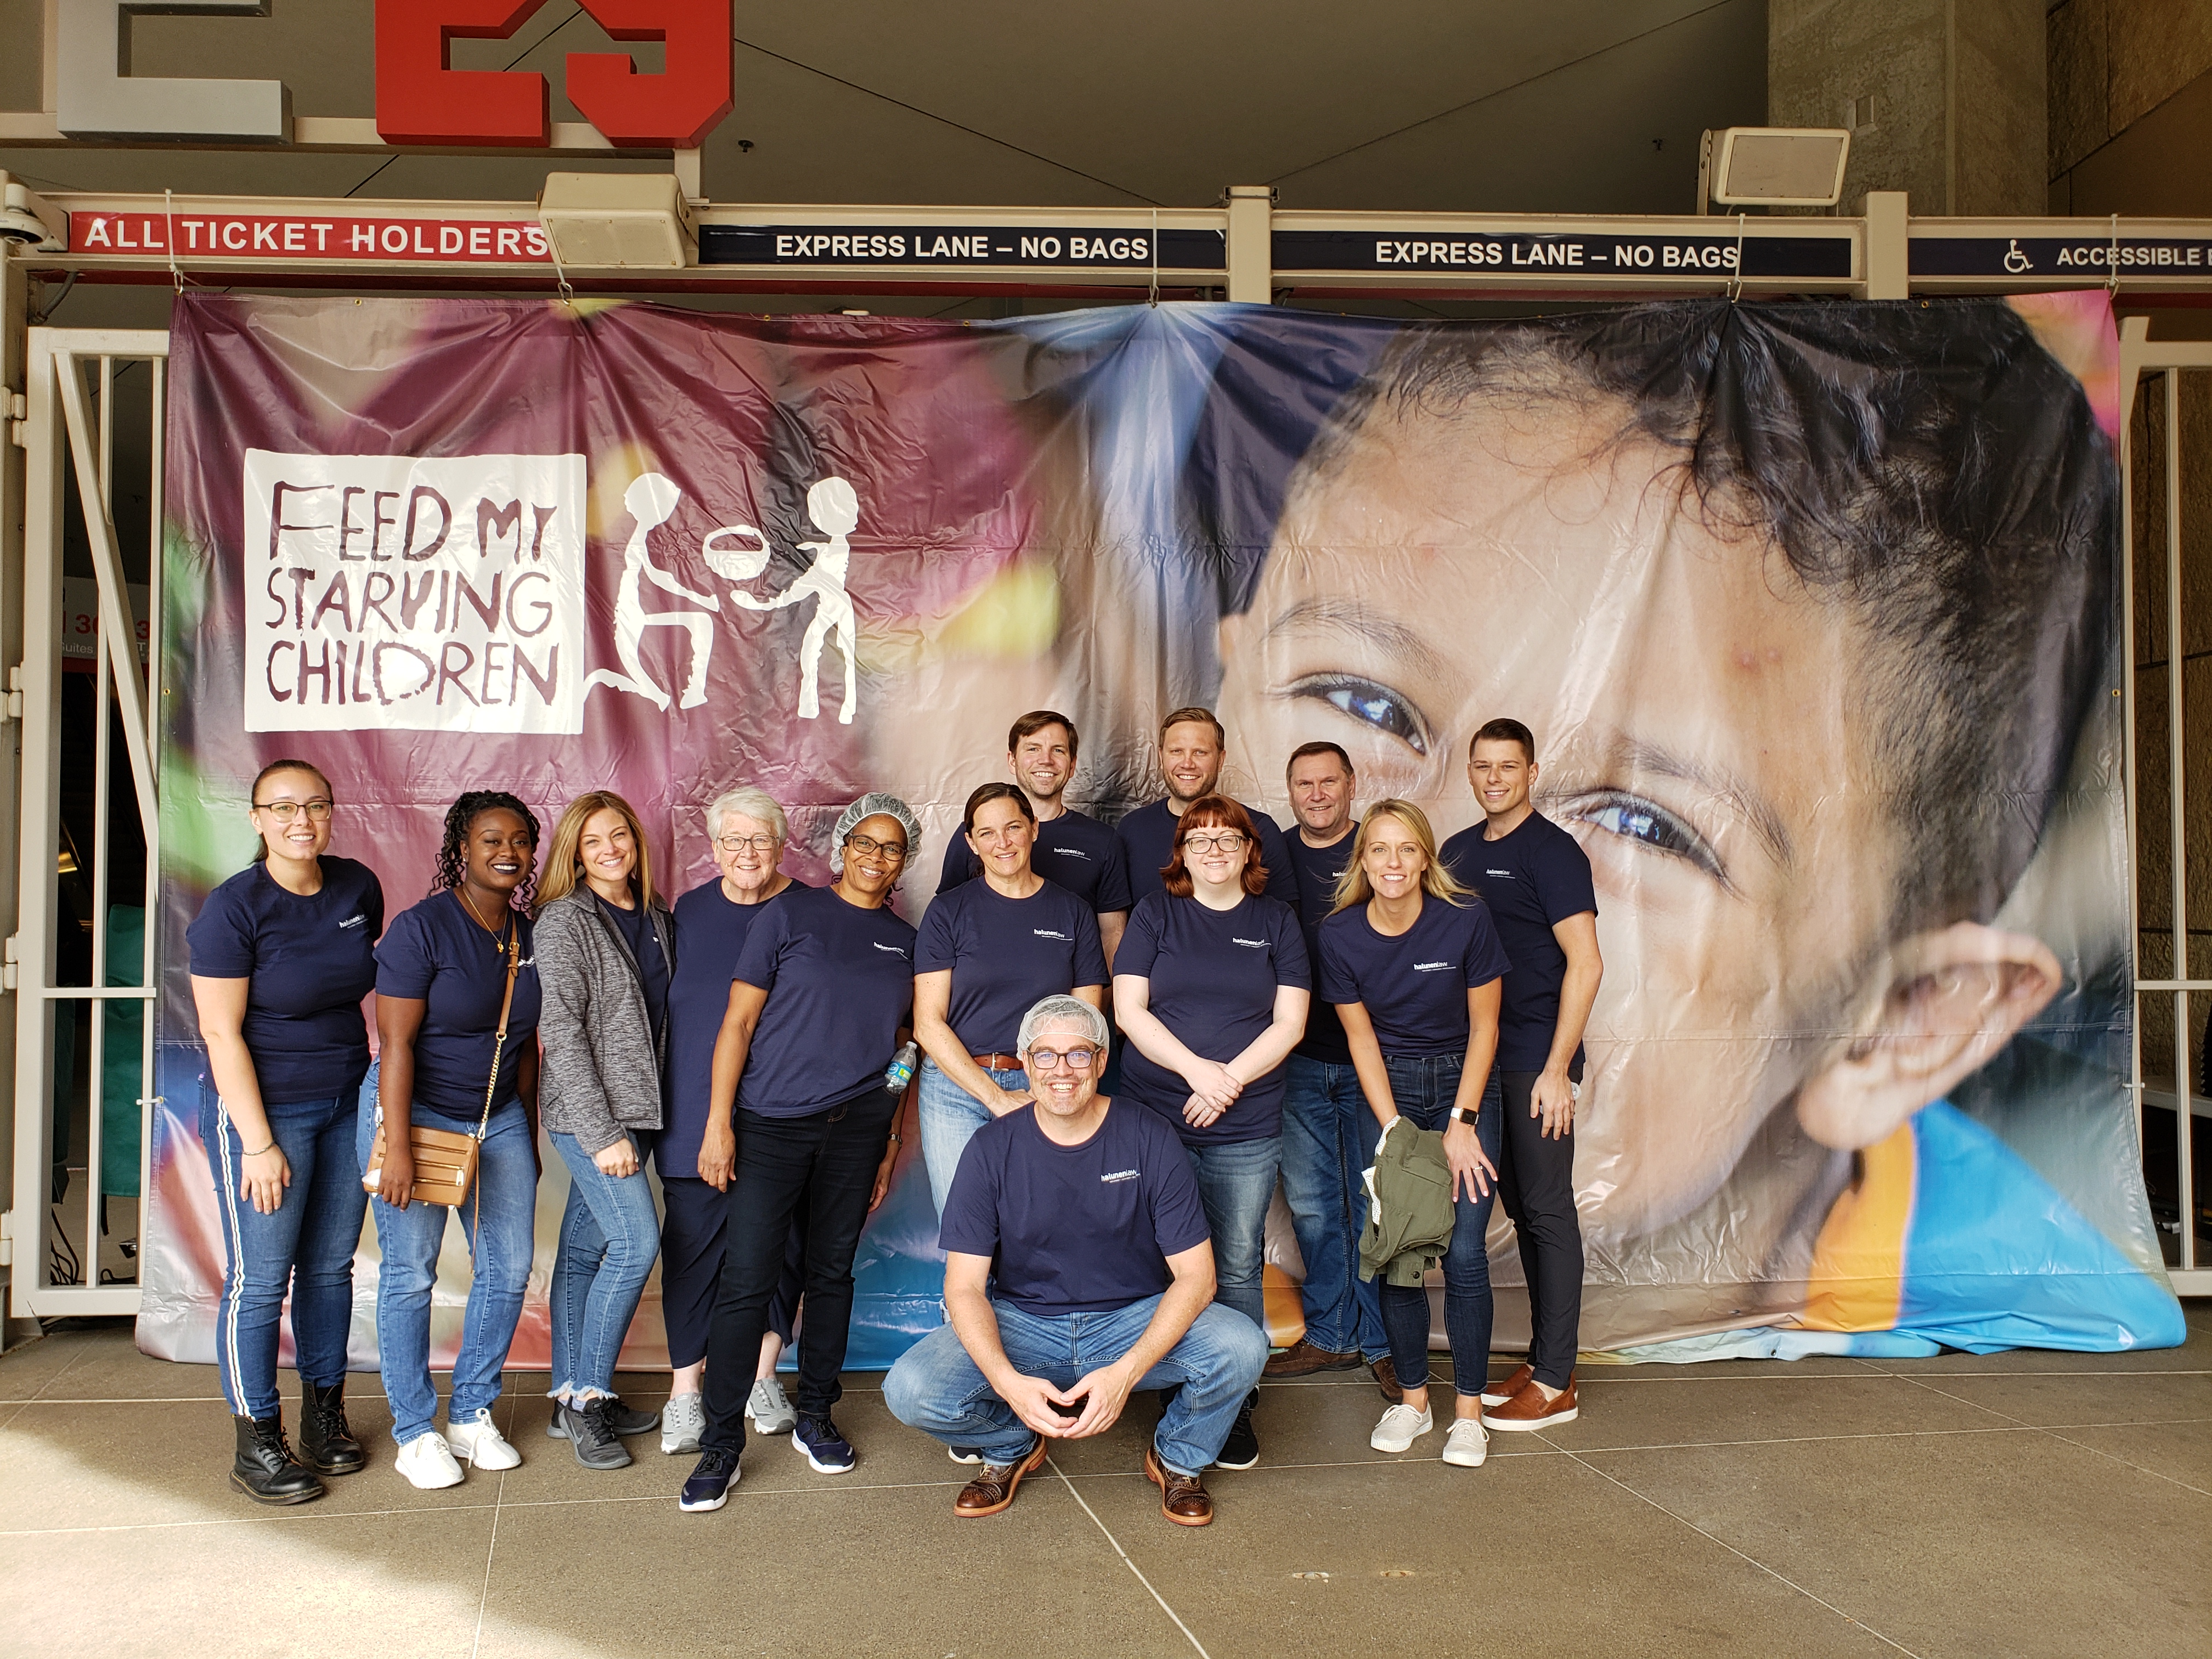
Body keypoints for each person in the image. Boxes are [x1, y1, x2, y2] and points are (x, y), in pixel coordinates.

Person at [1205, 300, 2183, 1358]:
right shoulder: (1146, 1184)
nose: (1415, 870)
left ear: (1908, 1020)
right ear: (1219, 681)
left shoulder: (2007, 1269)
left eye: (1643, 823)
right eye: (1365, 703)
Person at [885, 995, 1268, 1526]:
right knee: (910, 1390)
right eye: (1045, 1055)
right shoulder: (990, 1149)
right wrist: (1006, 1383)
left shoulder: (1148, 1135)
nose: (1061, 1070)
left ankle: (1179, 1457)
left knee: (1244, 1344)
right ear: (1024, 1063)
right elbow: (966, 1288)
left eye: (1078, 1055)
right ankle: (1013, 1444)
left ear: (1102, 1062)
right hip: (1026, 1325)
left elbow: (1197, 1278)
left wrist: (1126, 1373)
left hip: (1131, 1320)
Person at [680, 794, 922, 1511]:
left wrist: (887, 1132)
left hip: (856, 1132)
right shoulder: (788, 916)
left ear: (903, 862)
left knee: (831, 1274)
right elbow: (737, 1023)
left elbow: (907, 1050)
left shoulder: (905, 942)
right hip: (771, 1126)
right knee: (747, 1280)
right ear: (842, 848)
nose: (877, 858)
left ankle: (815, 1416)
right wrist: (719, 1124)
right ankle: (721, 1444)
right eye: (865, 844)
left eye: (892, 849)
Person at [186, 758, 381, 1504]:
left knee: (331, 1269)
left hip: (345, 1106)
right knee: (260, 1280)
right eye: (283, 807)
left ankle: (324, 1417)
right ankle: (256, 1440)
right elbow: (218, 1030)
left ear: (332, 814)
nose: (302, 821)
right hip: (263, 1115)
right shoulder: (233, 909)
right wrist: (259, 1143)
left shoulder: (357, 886)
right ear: (258, 818)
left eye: (316, 807)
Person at [1113, 794, 1309, 1471]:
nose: (1215, 850)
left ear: (1251, 851)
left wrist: (1226, 1085)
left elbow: (1289, 1024)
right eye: (1200, 840)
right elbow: (1128, 1008)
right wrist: (1198, 1071)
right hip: (1153, 1116)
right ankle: (1158, 1380)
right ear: (1182, 854)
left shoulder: (1276, 920)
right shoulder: (1155, 913)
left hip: (1244, 1124)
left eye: (1229, 839)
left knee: (1234, 1262)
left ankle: (1234, 1400)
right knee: (1148, 1255)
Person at [1316, 800, 1510, 1468]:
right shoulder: (1339, 935)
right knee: (1398, 1251)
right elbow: (1362, 1039)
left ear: (1425, 857)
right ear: (1362, 860)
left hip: (1464, 1083)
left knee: (1460, 1254)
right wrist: (1394, 1127)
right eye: (1379, 851)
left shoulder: (1466, 920)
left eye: (1406, 850)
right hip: (1389, 1089)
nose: (1392, 863)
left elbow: (1486, 1028)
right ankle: (1414, 1402)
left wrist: (1462, 1123)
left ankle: (1469, 1414)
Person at [360, 791, 543, 1491]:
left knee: (507, 1267)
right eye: (491, 838)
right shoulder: (421, 929)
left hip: (495, 1121)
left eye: (521, 840)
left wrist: (521, 1129)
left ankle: (470, 1412)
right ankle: (413, 1430)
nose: (508, 851)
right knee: (411, 1273)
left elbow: (524, 1043)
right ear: (460, 849)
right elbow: (396, 1044)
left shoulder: (526, 934)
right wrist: (399, 1144)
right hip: (417, 1113)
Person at [1438, 720, 1602, 1429]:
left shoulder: (1554, 853)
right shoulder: (1456, 851)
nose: (1495, 778)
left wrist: (1556, 1069)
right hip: (1479, 1061)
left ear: (1532, 772)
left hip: (1536, 1062)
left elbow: (1587, 963)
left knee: (1546, 1208)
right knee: (1523, 1217)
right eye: (1483, 766)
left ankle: (1560, 1380)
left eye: (1508, 766)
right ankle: (1543, 1359)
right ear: (1470, 772)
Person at [658, 788, 811, 1456]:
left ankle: (760, 1377)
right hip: (695, 1109)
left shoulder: (809, 911)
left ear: (783, 846)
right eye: (733, 842)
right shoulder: (687, 913)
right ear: (713, 847)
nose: (747, 854)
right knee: (694, 1253)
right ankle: (685, 1393)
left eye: (761, 841)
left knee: (786, 1249)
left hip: (785, 1113)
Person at [533, 790, 673, 1469]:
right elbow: (558, 1031)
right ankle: (587, 1398)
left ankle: (569, 1396)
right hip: (593, 1119)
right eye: (594, 842)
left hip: (643, 1115)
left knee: (583, 1252)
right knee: (635, 1240)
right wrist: (601, 1134)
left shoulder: (655, 917)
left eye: (619, 834)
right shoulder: (564, 921)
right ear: (576, 855)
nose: (611, 849)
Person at [1262, 742, 1393, 1394]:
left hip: (1381, 1059)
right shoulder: (1272, 855)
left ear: (1351, 784)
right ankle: (1331, 1335)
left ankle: (1384, 1342)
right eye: (1303, 784)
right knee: (1315, 1207)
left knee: (1379, 1200)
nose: (1316, 795)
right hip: (1300, 1060)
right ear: (1289, 791)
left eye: (1327, 783)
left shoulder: (1385, 848)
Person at [915, 781, 1109, 1218]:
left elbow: (1087, 1022)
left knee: (1040, 1224)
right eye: (986, 833)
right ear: (970, 842)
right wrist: (995, 1098)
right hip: (956, 1090)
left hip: (1045, 1085)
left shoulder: (1072, 912)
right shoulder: (947, 912)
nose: (1002, 843)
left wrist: (1050, 1089)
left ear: (1034, 829)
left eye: (1013, 828)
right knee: (965, 1230)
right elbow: (928, 1023)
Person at [935, 710, 1133, 962]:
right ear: (1012, 760)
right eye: (1033, 749)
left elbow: (1112, 933)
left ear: (1072, 765)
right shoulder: (977, 835)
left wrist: (1094, 1001)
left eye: (1058, 750)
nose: (1046, 760)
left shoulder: (1102, 841)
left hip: (1073, 992)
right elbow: (946, 921)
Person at [1114, 708, 1300, 915]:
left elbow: (1284, 918)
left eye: (1200, 752)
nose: (1187, 764)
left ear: (1221, 760)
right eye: (1176, 751)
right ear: (1161, 757)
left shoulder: (1257, 829)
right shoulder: (1132, 829)